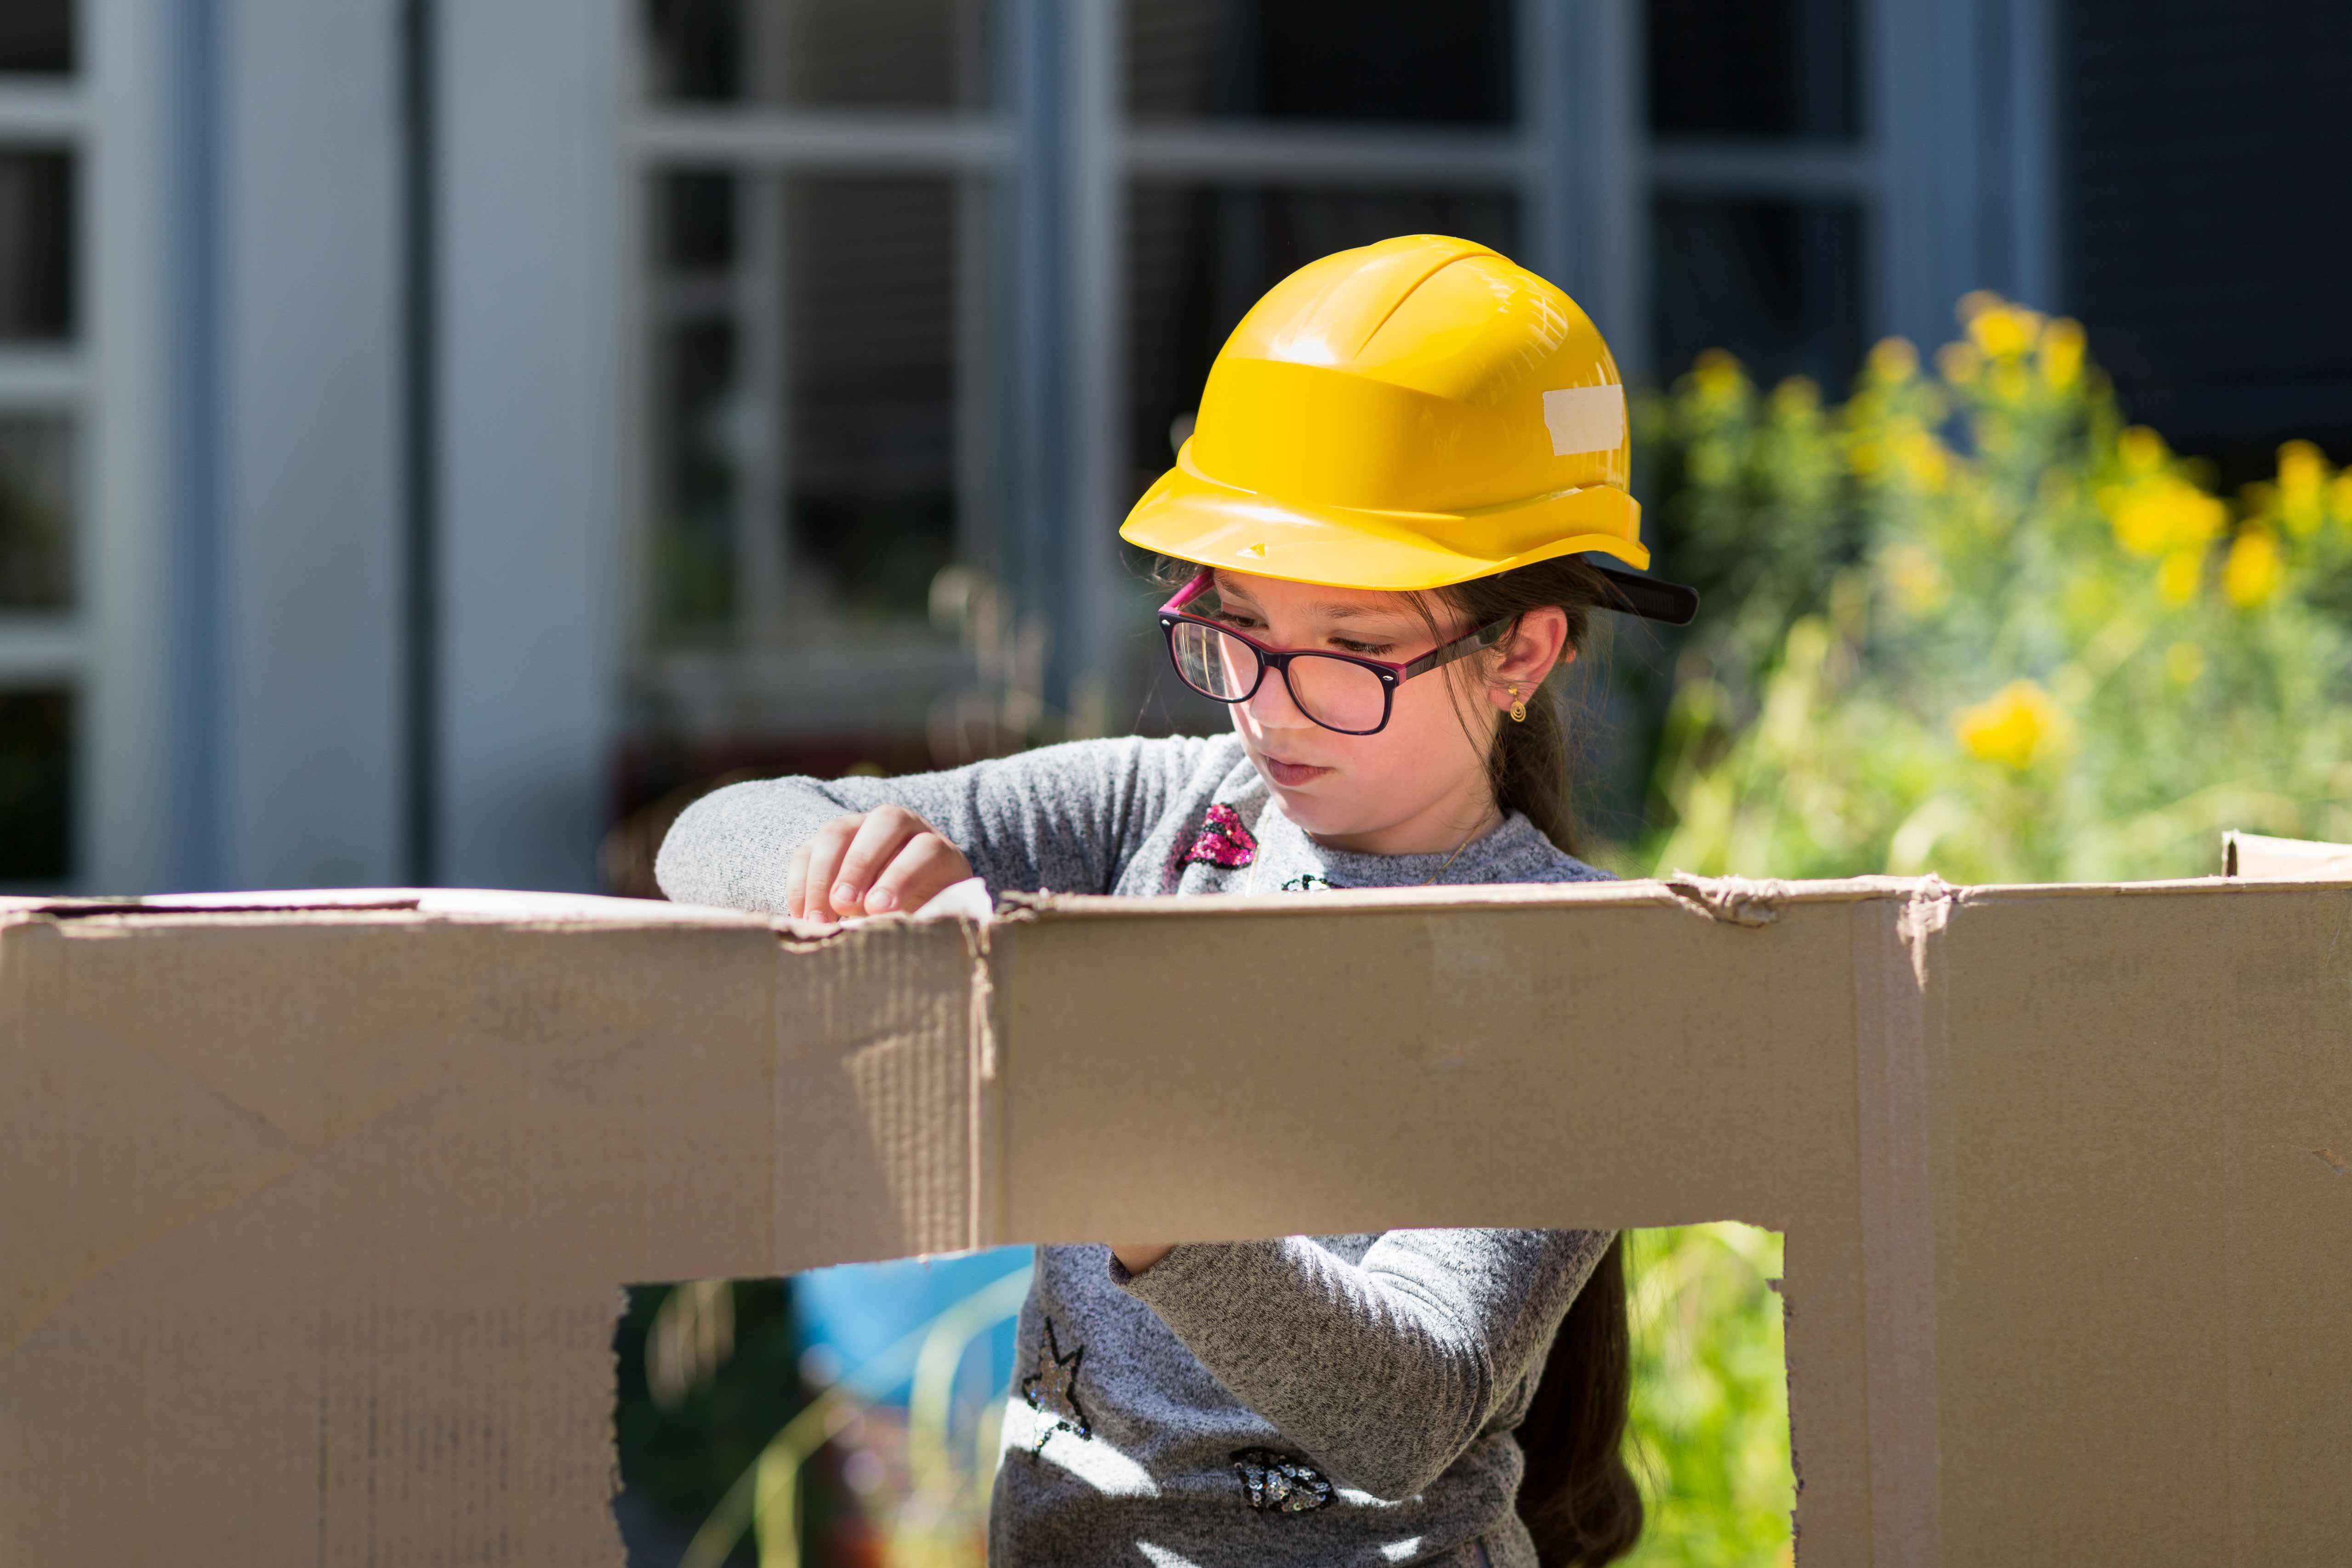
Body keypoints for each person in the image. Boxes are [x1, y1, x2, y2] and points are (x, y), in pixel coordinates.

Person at [656, 234, 1697, 1568]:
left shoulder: (1574, 968)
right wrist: (838, 866)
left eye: (1354, 652)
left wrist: (1137, 1183)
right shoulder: (1161, 814)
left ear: (1521, 651)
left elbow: (1412, 1411)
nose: (1269, 704)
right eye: (1240, 627)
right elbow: (713, 830)